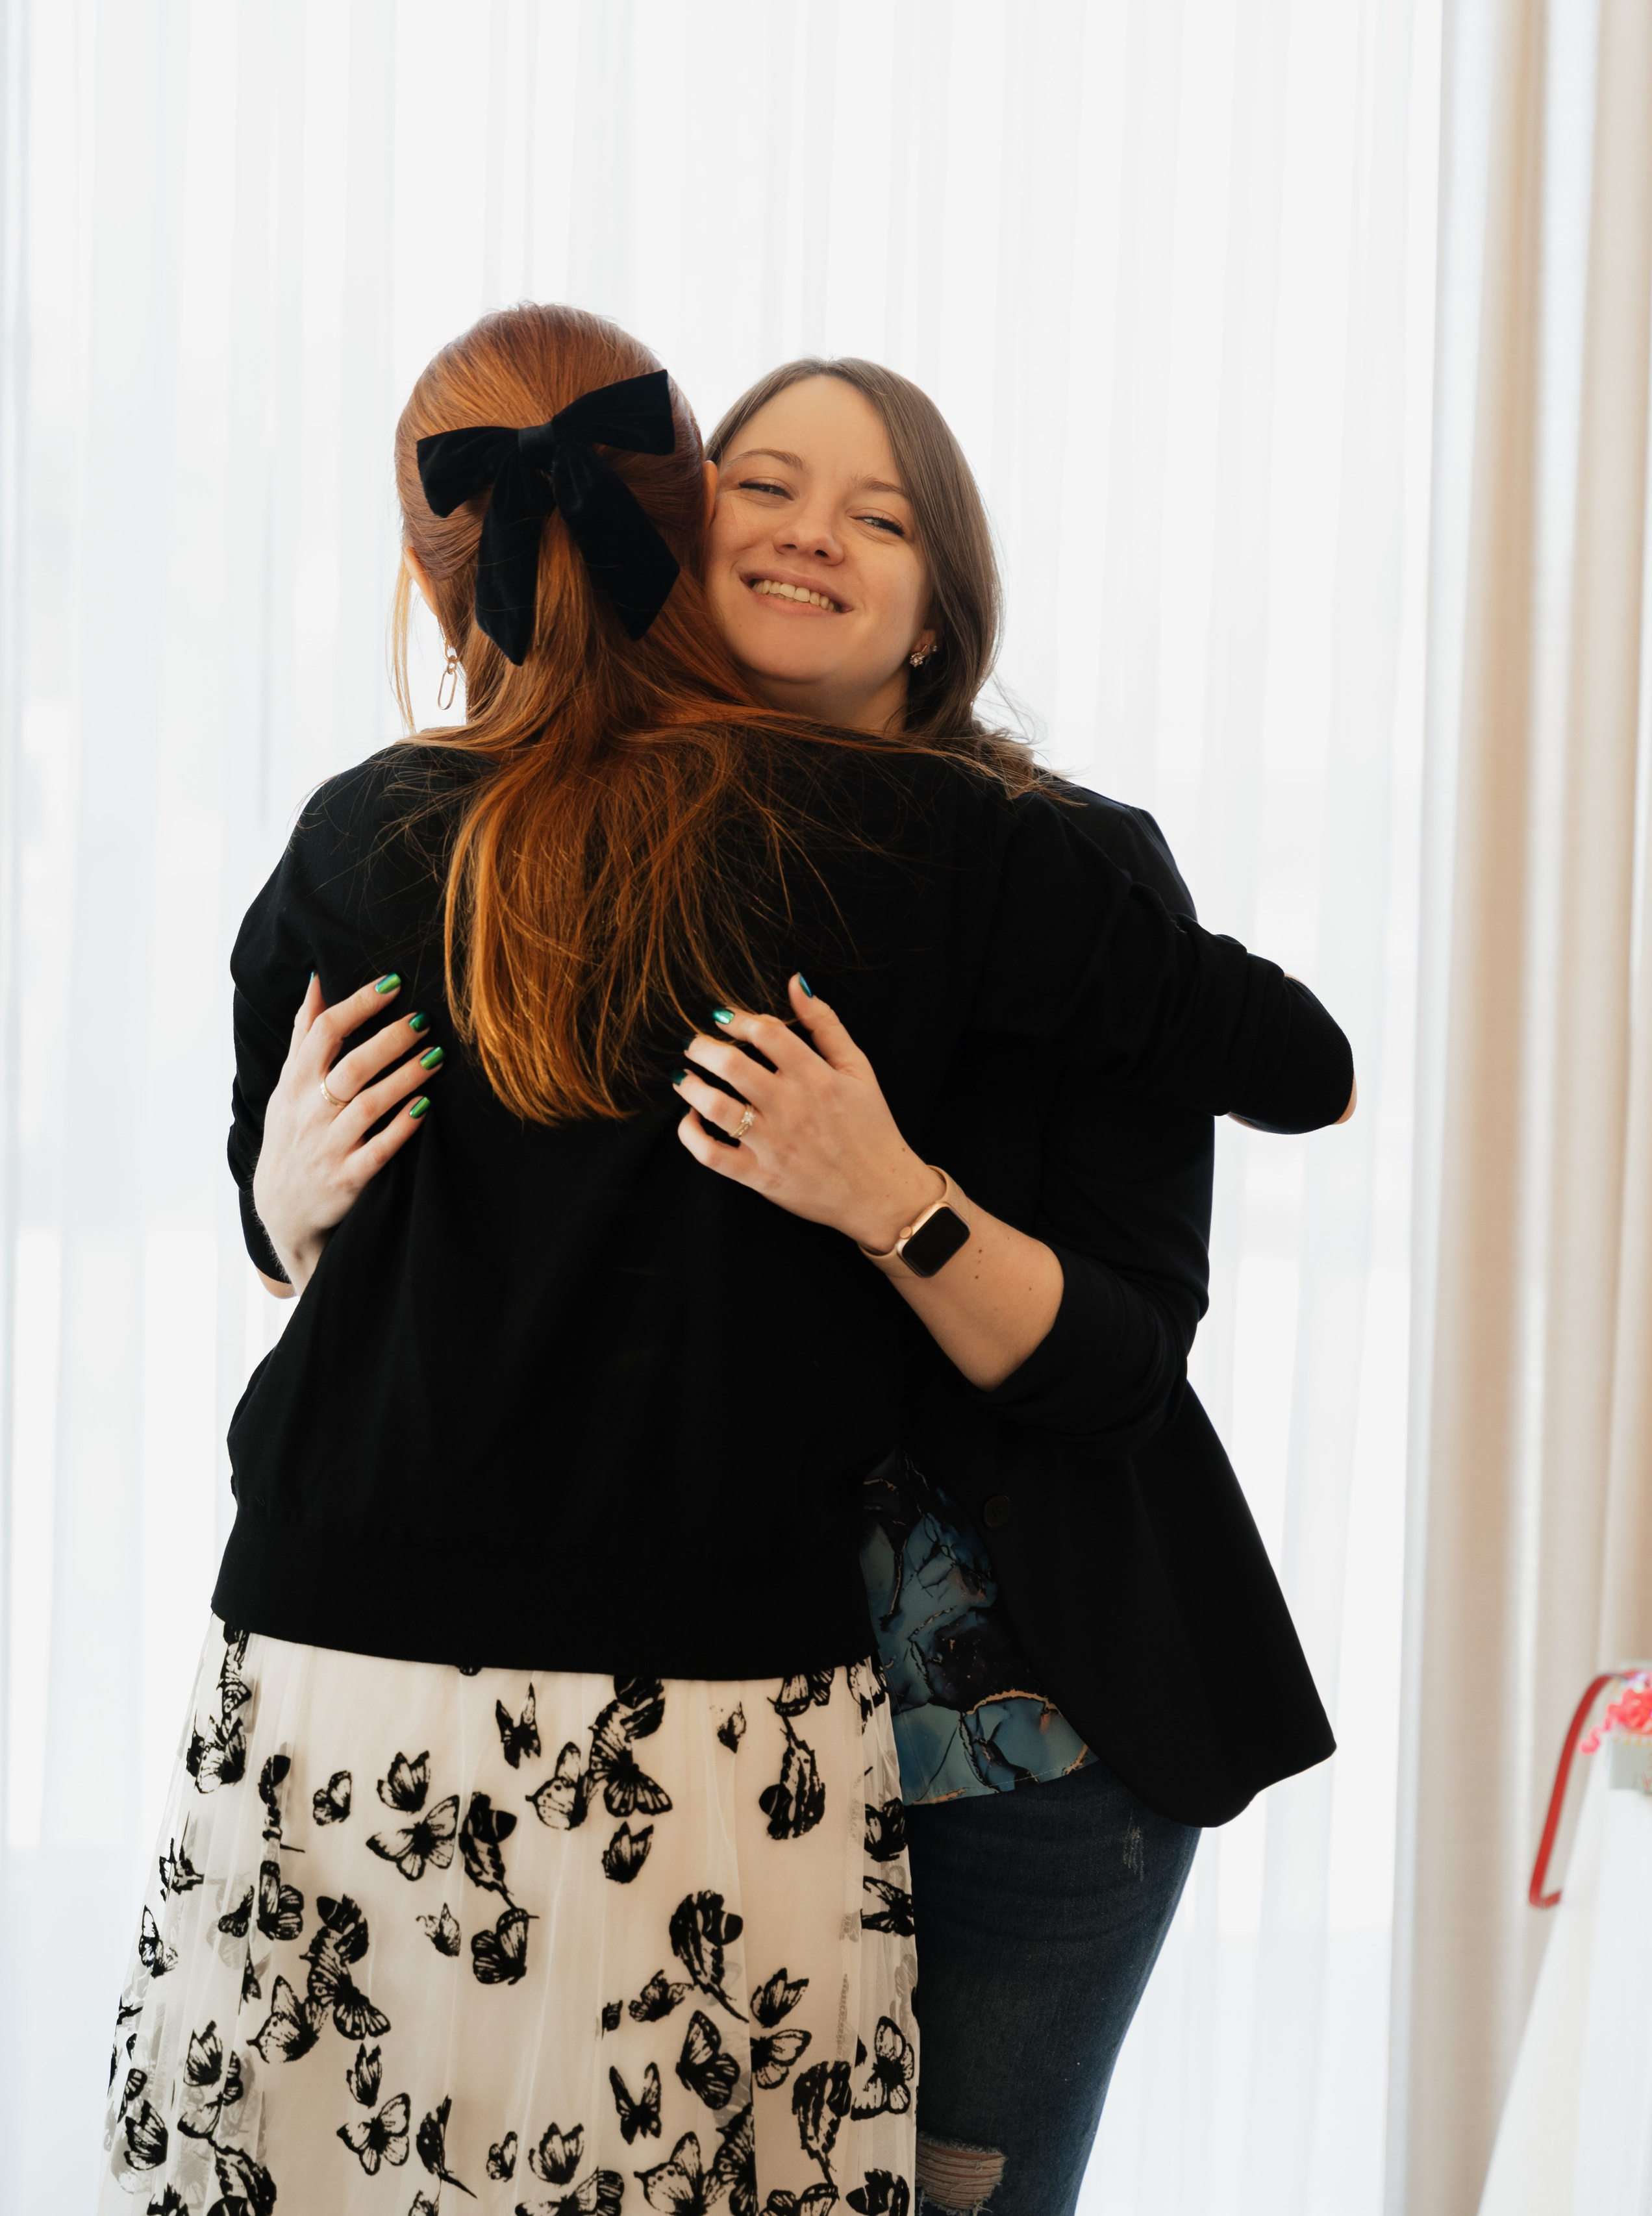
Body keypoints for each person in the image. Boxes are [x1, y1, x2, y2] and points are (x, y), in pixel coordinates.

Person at [234, 346, 1353, 2216]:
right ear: (671, 524)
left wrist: (894, 1200)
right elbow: (437, 1279)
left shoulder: (1057, 868)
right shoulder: (559, 842)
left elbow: (1120, 1363)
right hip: (670, 1731)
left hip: (1010, 1746)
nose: (813, 533)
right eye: (764, 483)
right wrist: (278, 1198)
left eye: (883, 513)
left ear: (939, 614)